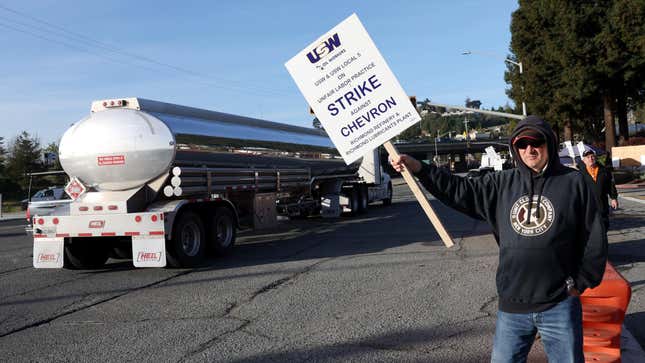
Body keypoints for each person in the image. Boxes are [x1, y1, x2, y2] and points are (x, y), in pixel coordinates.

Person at [390, 116, 607, 363]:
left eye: (536, 141)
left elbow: (594, 236)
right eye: (522, 144)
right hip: (512, 307)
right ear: (515, 148)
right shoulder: (502, 183)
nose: (530, 149)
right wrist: (420, 169)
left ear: (549, 143)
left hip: (559, 303)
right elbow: (459, 190)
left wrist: (580, 283)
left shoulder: (573, 182)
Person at [577, 149, 619, 230]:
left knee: (604, 226)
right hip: (587, 206)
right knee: (589, 228)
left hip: (602, 204)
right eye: (588, 157)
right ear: (584, 160)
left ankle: (603, 241)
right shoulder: (580, 173)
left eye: (592, 156)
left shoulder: (604, 170)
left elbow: (610, 185)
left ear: (595, 158)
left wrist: (614, 198)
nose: (591, 159)